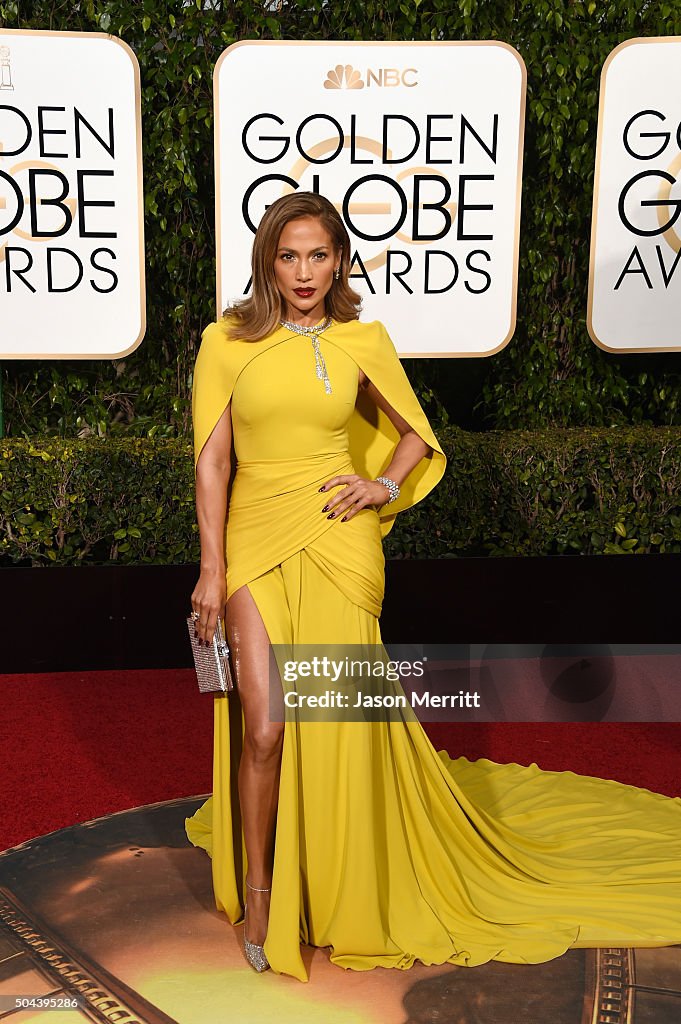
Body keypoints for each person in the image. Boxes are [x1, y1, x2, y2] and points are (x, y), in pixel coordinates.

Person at [185, 191, 681, 983]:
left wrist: (380, 488)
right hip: (252, 541)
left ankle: (339, 886)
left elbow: (417, 433)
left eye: (319, 255)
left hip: (339, 541)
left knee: (337, 720)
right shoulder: (225, 342)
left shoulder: (361, 339)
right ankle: (261, 887)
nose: (304, 271)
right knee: (267, 724)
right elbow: (212, 462)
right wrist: (210, 568)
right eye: (288, 255)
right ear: (265, 261)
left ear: (340, 259)